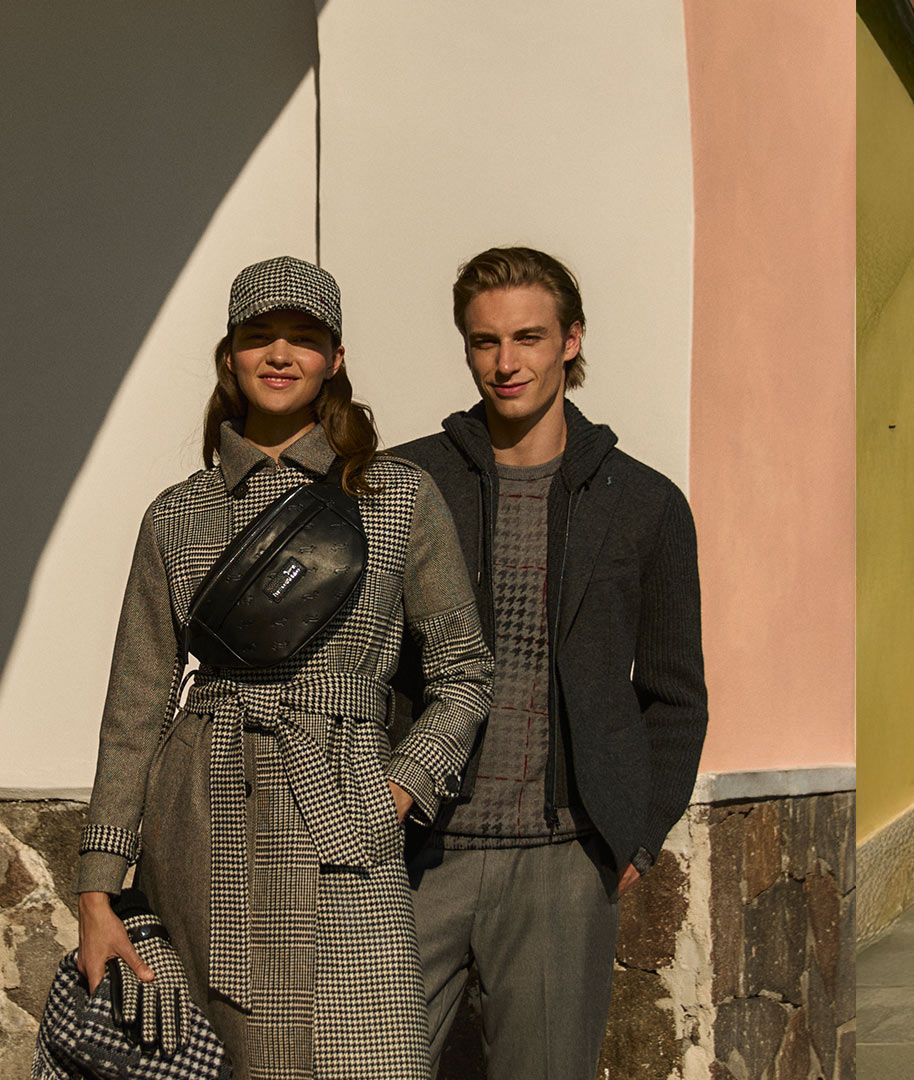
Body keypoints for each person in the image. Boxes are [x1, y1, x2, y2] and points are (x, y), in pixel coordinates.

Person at [74, 256, 494, 1079]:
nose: (279, 354)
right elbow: (136, 708)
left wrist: (397, 789)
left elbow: (463, 673)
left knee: (374, 1057)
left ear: (334, 360)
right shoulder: (178, 515)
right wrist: (97, 887)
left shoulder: (397, 496)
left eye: (302, 338)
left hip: (345, 812)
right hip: (206, 816)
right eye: (258, 336)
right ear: (229, 356)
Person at [390, 246, 707, 1078]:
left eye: (527, 337)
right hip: (417, 854)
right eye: (484, 341)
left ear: (571, 340)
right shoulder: (405, 484)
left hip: (564, 862)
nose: (506, 363)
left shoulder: (645, 504)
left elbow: (676, 697)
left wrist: (634, 840)